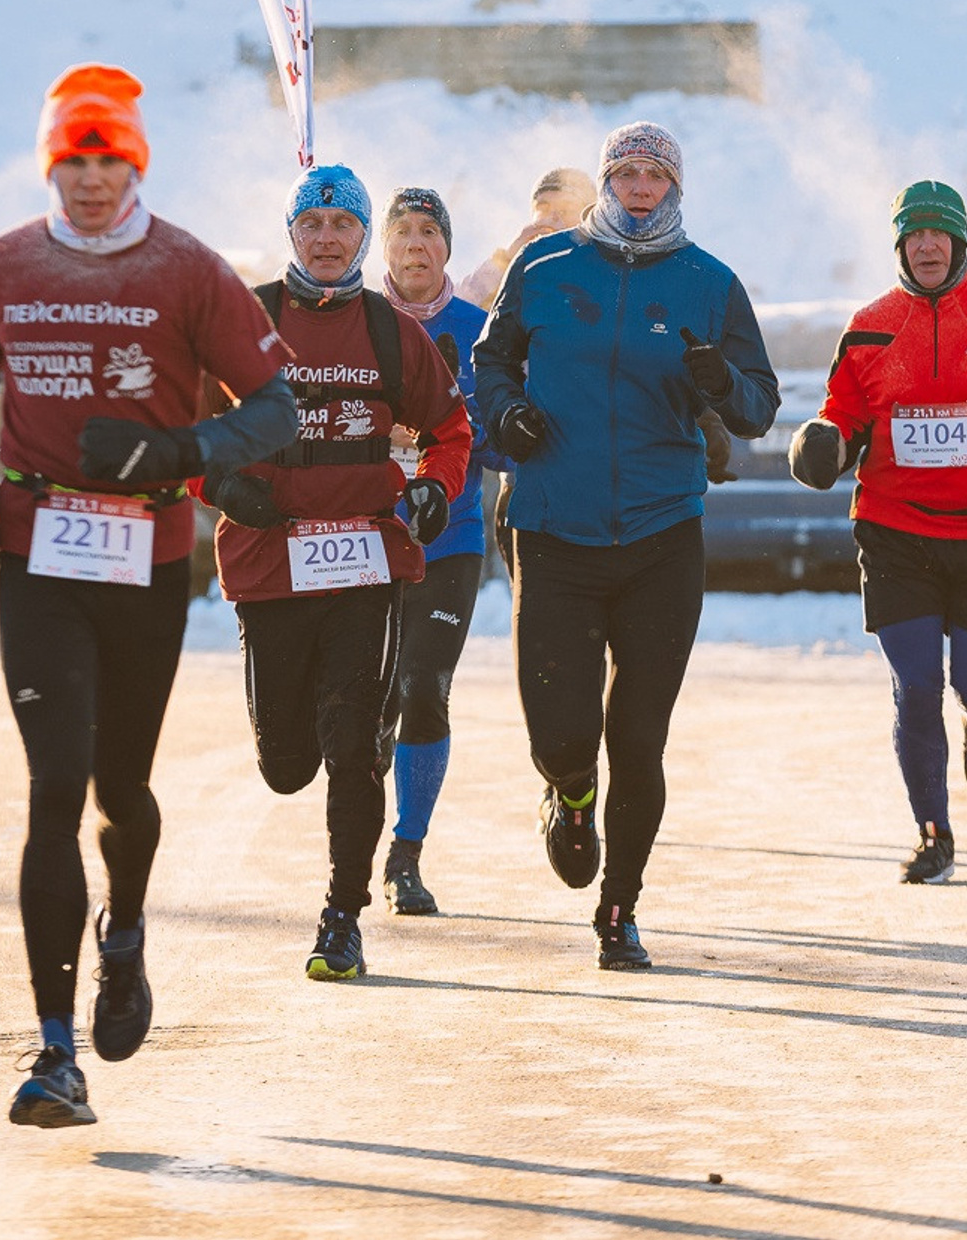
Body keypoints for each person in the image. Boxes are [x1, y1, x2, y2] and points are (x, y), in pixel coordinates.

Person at [0, 64, 299, 1129]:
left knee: (120, 792)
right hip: (39, 548)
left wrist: (178, 448)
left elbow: (274, 408)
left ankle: (125, 930)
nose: (90, 181)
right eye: (72, 160)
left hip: (146, 552)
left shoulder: (188, 269)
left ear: (134, 162)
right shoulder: (5, 263)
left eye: (109, 159)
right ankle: (54, 1053)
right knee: (54, 787)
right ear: (52, 163)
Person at [475, 122, 779, 970]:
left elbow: (757, 403)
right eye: (627, 171)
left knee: (638, 736)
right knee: (561, 734)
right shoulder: (544, 269)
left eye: (657, 173)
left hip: (660, 534)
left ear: (676, 187)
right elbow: (489, 365)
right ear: (606, 182)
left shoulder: (709, 282)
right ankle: (569, 795)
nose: (641, 185)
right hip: (554, 529)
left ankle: (621, 907)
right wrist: (505, 416)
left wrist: (721, 384)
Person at [199, 164, 472, 982]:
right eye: (311, 224)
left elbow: (450, 430)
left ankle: (342, 918)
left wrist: (432, 490)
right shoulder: (244, 319)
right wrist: (219, 484)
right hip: (271, 562)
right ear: (292, 233)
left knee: (353, 750)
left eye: (343, 225)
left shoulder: (390, 330)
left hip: (364, 560)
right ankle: (339, 743)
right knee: (287, 764)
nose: (326, 238)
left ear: (363, 237)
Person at [789, 181, 967, 886]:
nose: (926, 245)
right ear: (899, 245)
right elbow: (845, 413)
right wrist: (824, 442)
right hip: (897, 534)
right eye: (913, 234)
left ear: (959, 243)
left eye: (938, 234)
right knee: (915, 683)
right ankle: (932, 832)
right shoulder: (869, 326)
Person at [376, 184, 512, 916]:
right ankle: (351, 836)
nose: (417, 244)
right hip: (357, 537)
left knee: (422, 689)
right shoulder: (355, 323)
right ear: (384, 248)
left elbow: (497, 442)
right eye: (404, 231)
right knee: (364, 697)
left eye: (431, 232)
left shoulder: (477, 329)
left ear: (447, 250)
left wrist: (461, 433)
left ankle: (406, 852)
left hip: (449, 539)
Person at [457, 166, 598, 309]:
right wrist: (506, 260)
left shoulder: (604, 272)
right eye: (544, 209)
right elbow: (450, 314)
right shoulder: (516, 280)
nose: (553, 218)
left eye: (565, 210)